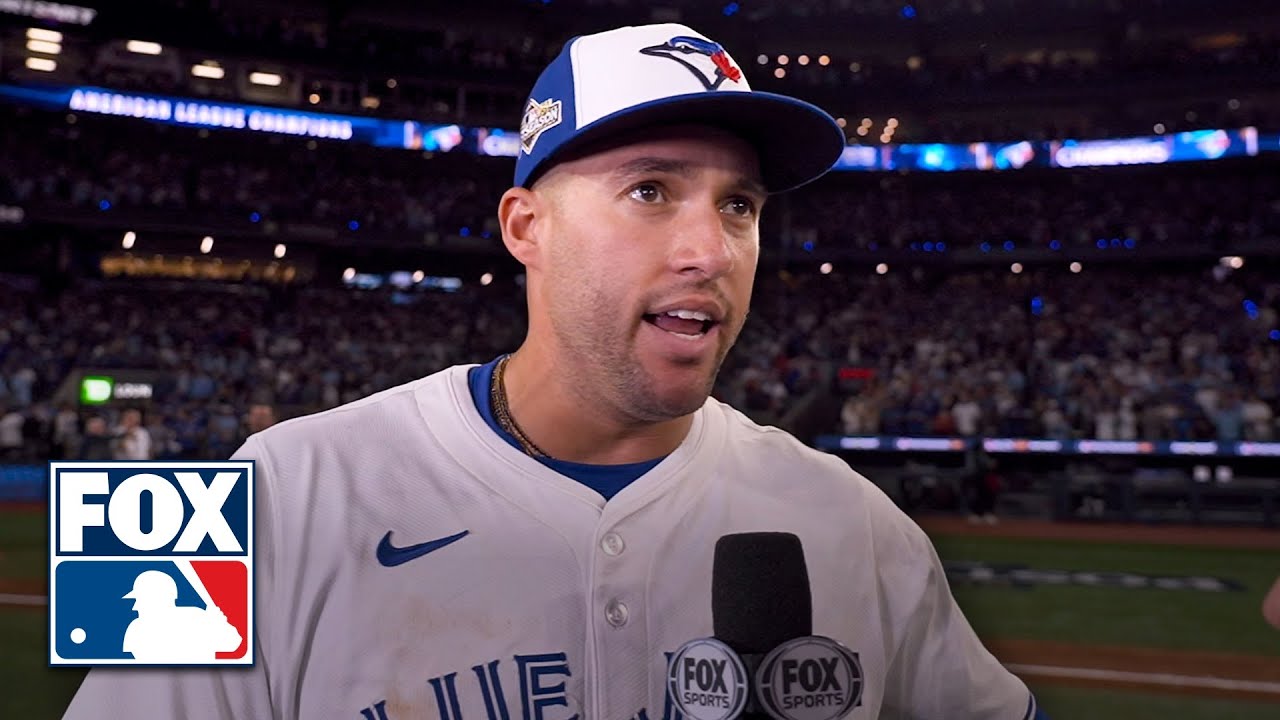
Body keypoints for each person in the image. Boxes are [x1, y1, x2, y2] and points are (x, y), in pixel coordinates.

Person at [62, 23, 1047, 720]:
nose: (710, 247)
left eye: (739, 205)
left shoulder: (858, 522)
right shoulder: (241, 493)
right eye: (650, 191)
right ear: (524, 228)